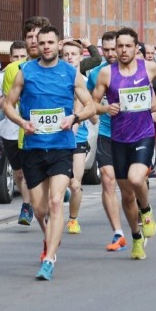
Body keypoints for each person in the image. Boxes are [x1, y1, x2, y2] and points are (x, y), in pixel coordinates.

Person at [4, 26, 96, 281]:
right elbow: (7, 104)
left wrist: (74, 117)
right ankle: (50, 238)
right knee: (40, 209)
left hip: (61, 147)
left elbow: (90, 105)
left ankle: (49, 258)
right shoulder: (26, 72)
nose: (45, 46)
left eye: (50, 42)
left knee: (56, 201)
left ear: (58, 45)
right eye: (41, 42)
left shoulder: (71, 73)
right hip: (33, 148)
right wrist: (22, 123)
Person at [92, 27, 156, 261]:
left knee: (136, 178)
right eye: (120, 46)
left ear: (136, 48)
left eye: (128, 46)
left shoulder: (148, 68)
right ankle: (136, 237)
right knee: (127, 196)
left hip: (144, 135)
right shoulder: (107, 74)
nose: (123, 50)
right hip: (118, 139)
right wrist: (104, 108)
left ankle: (147, 210)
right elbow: (93, 103)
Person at [2, 16, 51, 225]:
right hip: (27, 136)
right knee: (26, 179)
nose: (33, 40)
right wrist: (22, 122)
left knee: (52, 194)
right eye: (29, 36)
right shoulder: (14, 70)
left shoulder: (61, 68)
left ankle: (51, 228)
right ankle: (32, 208)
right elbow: (9, 105)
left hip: (56, 137)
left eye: (37, 36)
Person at [87, 31, 129, 251]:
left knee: (131, 184)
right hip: (106, 132)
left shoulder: (137, 69)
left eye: (115, 48)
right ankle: (118, 232)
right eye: (107, 49)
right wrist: (98, 110)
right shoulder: (96, 74)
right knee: (108, 180)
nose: (112, 53)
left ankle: (143, 210)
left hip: (133, 133)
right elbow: (88, 101)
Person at [0, 40, 33, 225]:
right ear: (10, 58)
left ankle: (27, 206)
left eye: (23, 56)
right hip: (10, 131)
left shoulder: (31, 74)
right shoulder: (2, 78)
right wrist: (8, 97)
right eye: (16, 56)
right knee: (19, 173)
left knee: (31, 170)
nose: (19, 60)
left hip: (29, 130)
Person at [61, 38, 96, 234]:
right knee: (61, 181)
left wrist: (88, 116)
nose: (69, 58)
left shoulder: (82, 80)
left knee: (75, 183)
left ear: (80, 57)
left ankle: (73, 219)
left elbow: (91, 111)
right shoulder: (55, 76)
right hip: (57, 137)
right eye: (66, 54)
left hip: (78, 139)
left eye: (73, 54)